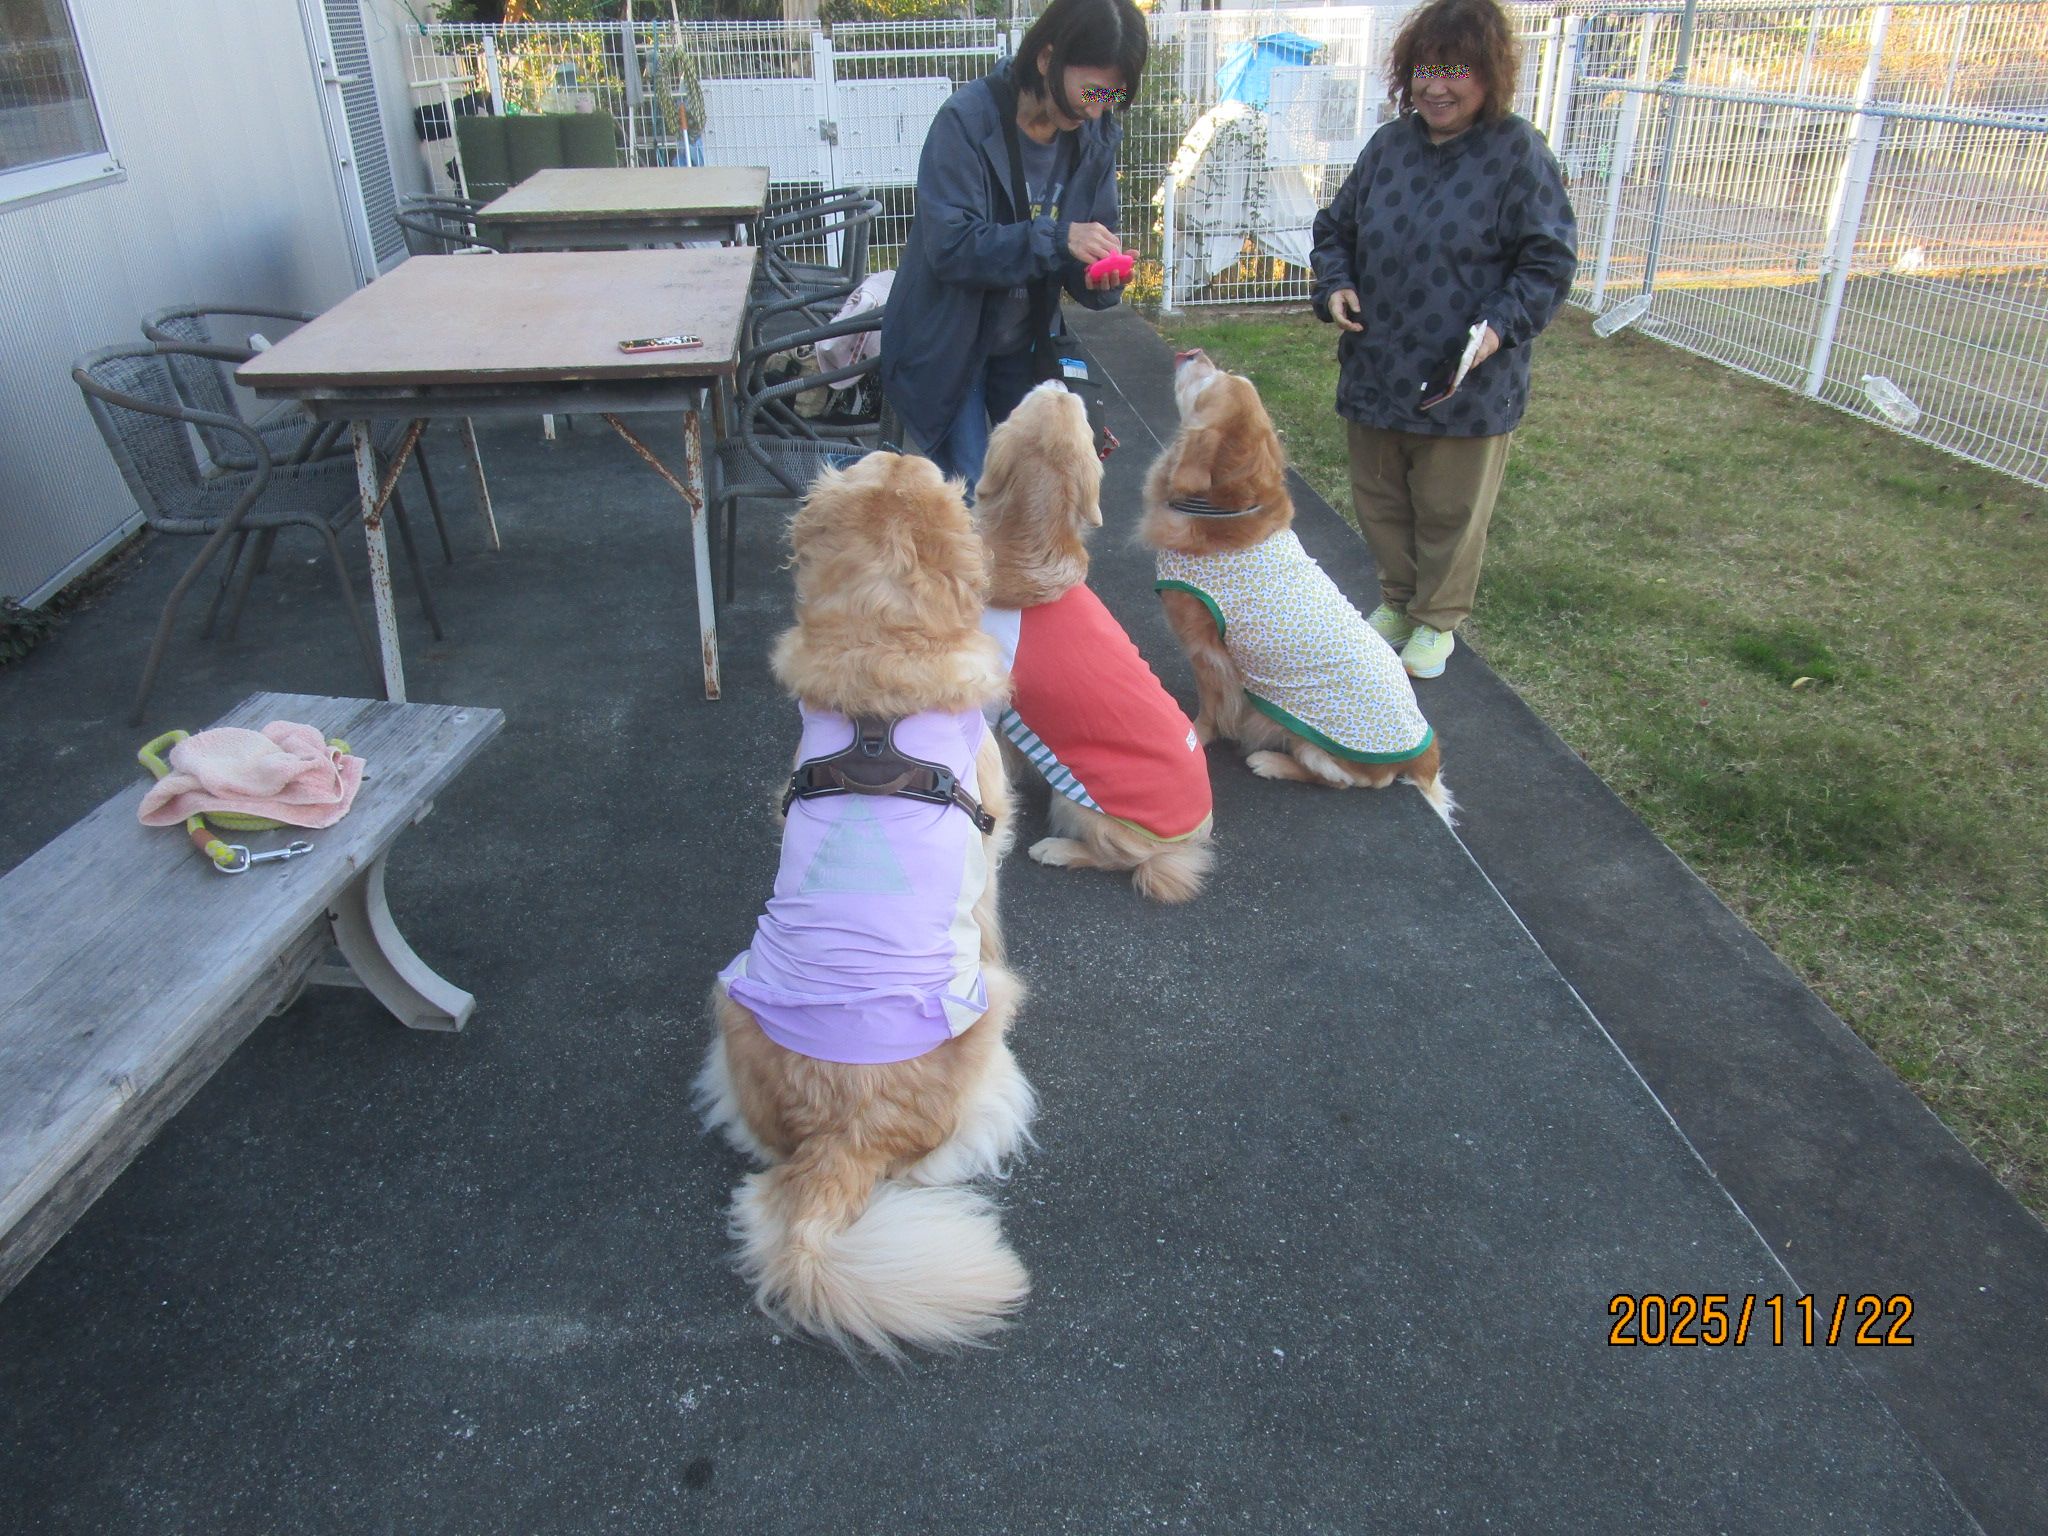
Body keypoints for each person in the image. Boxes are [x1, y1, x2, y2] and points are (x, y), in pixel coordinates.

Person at [1308, 0, 1578, 679]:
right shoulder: (1388, 147)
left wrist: (1499, 326)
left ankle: (1437, 619)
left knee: (1449, 507)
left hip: (1467, 379)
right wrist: (1335, 284)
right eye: (1424, 70)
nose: (1436, 87)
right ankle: (1399, 601)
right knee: (1381, 499)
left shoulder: (1518, 153)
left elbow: (1547, 261)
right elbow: (1335, 229)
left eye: (1456, 71)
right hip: (1377, 364)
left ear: (1490, 73)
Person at [880, 0, 1147, 487]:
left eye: (1111, 95)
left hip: (1026, 344)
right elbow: (952, 247)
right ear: (1047, 58)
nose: (1096, 109)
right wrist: (1059, 238)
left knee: (1036, 494)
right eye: (1091, 90)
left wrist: (1099, 275)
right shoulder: (965, 121)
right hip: (948, 344)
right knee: (971, 499)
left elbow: (1081, 246)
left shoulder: (1094, 136)